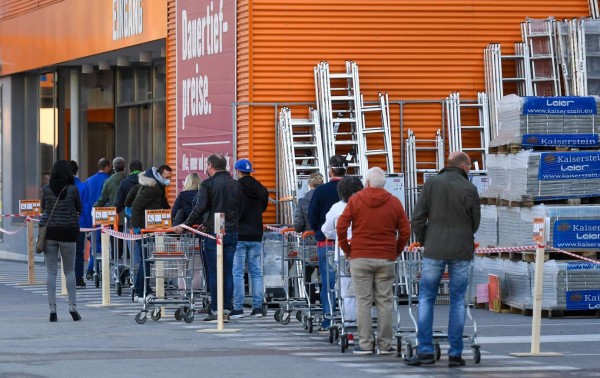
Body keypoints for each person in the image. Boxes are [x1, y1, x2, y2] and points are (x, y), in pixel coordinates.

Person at [405, 151, 481, 367]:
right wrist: (464, 235)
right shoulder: (470, 188)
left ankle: (426, 351)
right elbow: (475, 221)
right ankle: (455, 354)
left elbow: (418, 216)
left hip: (434, 249)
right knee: (457, 301)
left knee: (426, 298)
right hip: (461, 250)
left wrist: (424, 239)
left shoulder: (432, 183)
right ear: (464, 165)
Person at [337, 167, 410, 355]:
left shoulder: (355, 200)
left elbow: (341, 226)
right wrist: (396, 250)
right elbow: (405, 231)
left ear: (367, 182)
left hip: (360, 256)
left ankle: (365, 344)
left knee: (363, 301)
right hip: (385, 257)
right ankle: (385, 345)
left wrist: (348, 249)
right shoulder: (394, 202)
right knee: (385, 301)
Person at [173, 153, 241, 323]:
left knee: (214, 271)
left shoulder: (208, 184)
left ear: (210, 165)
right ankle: (226, 308)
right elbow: (240, 208)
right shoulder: (235, 185)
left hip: (213, 233)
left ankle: (216, 309)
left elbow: (199, 207)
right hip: (231, 231)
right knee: (227, 271)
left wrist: (186, 225)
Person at [321, 176, 364, 345]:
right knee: (370, 293)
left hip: (345, 253)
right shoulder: (366, 206)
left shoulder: (337, 208)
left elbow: (327, 230)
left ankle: (350, 330)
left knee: (348, 293)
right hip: (368, 252)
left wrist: (341, 238)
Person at [39, 159, 83, 322]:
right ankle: (72, 307)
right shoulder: (72, 189)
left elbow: (43, 208)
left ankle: (52, 309)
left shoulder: (46, 189)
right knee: (69, 271)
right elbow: (79, 208)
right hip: (68, 233)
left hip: (50, 233)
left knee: (51, 272)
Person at [307, 155, 347, 330]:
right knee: (349, 282)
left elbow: (312, 216)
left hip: (327, 243)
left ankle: (328, 319)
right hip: (352, 243)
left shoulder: (321, 191)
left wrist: (318, 231)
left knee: (328, 283)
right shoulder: (355, 190)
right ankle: (349, 318)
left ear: (330, 170)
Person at [231, 159, 269, 319]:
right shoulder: (261, 188)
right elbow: (264, 207)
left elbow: (231, 209)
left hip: (239, 234)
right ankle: (258, 308)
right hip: (256, 234)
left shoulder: (235, 188)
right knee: (256, 272)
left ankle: (238, 308)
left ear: (238, 171)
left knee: (238, 272)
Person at [130, 165, 173, 302]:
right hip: (146, 229)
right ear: (159, 175)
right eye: (167, 177)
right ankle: (142, 291)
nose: (169, 180)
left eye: (170, 178)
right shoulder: (152, 188)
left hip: (150, 228)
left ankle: (140, 290)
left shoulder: (157, 186)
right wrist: (136, 227)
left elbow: (163, 204)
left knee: (146, 260)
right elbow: (136, 205)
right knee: (146, 261)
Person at [82, 158, 112, 280]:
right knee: (107, 244)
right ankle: (98, 268)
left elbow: (85, 203)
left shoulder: (89, 181)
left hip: (93, 217)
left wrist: (88, 221)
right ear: (107, 167)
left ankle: (91, 268)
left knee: (95, 243)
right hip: (109, 217)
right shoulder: (109, 181)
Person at [95, 157, 127, 261]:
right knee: (129, 245)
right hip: (128, 217)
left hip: (114, 218)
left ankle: (116, 268)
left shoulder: (108, 181)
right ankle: (127, 270)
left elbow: (102, 199)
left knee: (115, 245)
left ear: (113, 167)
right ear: (124, 167)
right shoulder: (128, 180)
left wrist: (94, 207)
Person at [70, 160, 87, 288]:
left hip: (63, 224)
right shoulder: (82, 186)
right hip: (79, 223)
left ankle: (68, 279)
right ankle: (78, 278)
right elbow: (86, 207)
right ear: (77, 171)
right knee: (79, 252)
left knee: (66, 251)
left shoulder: (59, 187)